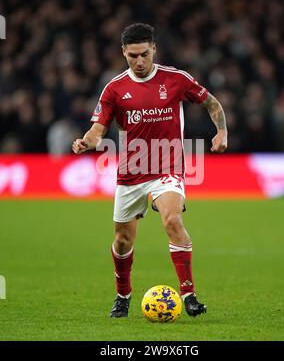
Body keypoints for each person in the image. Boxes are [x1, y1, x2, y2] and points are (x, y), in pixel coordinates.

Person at [72, 23, 228, 318]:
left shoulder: (175, 79)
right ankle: (123, 296)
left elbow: (211, 102)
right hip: (131, 172)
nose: (140, 62)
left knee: (172, 220)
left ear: (154, 49)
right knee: (123, 241)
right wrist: (87, 142)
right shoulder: (114, 88)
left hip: (168, 167)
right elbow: (98, 128)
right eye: (133, 56)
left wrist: (221, 132)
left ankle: (189, 295)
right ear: (123, 53)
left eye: (144, 54)